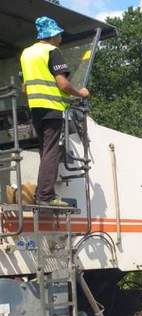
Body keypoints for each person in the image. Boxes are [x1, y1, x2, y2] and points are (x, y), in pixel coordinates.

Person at [19, 16, 90, 207]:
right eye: (59, 34)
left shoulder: (26, 53)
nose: (60, 38)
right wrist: (80, 93)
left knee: (45, 150)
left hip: (35, 108)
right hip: (52, 108)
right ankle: (46, 197)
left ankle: (41, 194)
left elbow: (24, 87)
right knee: (52, 151)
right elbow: (63, 83)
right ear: (52, 35)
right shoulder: (52, 51)